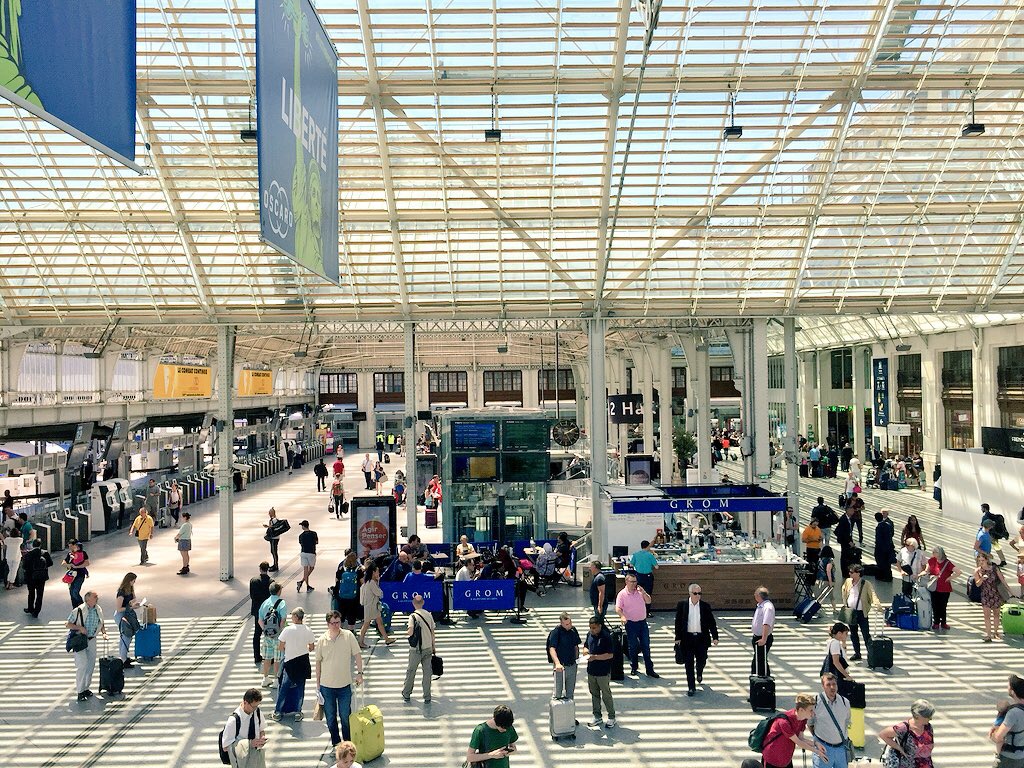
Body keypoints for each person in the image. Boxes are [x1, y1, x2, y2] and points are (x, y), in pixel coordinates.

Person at [316, 609, 365, 747]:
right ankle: (336, 744)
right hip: (326, 686)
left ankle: (347, 744)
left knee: (345, 717)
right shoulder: (321, 640)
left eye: (338, 622)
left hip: (344, 685)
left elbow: (357, 654)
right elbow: (318, 662)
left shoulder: (348, 636)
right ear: (327, 624)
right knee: (330, 718)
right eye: (333, 623)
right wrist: (318, 685)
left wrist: (360, 673)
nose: (336, 625)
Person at [674, 582, 719, 696]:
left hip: (701, 639)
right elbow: (678, 622)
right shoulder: (682, 605)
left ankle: (699, 671)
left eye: (700, 593)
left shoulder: (705, 606)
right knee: (688, 663)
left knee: (702, 660)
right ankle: (691, 687)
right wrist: (677, 637)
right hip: (687, 638)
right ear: (690, 593)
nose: (698, 595)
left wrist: (715, 637)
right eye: (695, 593)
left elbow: (711, 622)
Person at [271, 607, 316, 721]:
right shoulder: (308, 630)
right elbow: (311, 647)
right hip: (303, 662)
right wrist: (302, 649)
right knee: (300, 688)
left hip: (290, 662)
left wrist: (289, 648)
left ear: (296, 617)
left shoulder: (287, 630)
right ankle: (298, 712)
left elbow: (280, 647)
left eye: (292, 615)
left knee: (284, 688)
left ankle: (278, 711)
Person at [761, 693, 828, 768]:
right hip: (772, 759)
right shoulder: (784, 722)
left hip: (786, 759)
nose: (813, 713)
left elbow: (801, 738)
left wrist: (816, 744)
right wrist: (817, 751)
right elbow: (798, 742)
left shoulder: (802, 720)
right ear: (801, 710)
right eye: (811, 710)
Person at [615, 573, 659, 678]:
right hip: (631, 623)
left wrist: (644, 593)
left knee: (646, 646)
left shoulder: (640, 591)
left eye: (635, 581)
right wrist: (622, 616)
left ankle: (650, 669)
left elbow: (648, 601)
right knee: (633, 646)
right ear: (626, 582)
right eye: (632, 582)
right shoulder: (622, 594)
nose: (634, 584)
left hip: (642, 623)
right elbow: (618, 608)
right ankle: (634, 667)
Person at [66, 591, 108, 701]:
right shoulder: (79, 610)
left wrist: (103, 633)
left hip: (92, 639)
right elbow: (68, 624)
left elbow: (101, 622)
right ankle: (80, 691)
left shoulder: (98, 609)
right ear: (88, 599)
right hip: (80, 640)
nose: (97, 598)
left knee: (90, 665)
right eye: (95, 597)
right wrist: (79, 628)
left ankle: (86, 688)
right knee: (82, 665)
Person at [809, 673, 852, 768]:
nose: (832, 687)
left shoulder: (845, 702)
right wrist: (817, 740)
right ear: (823, 686)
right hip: (823, 748)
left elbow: (847, 722)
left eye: (834, 684)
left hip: (841, 749)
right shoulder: (815, 702)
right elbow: (810, 724)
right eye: (828, 685)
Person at [878, 699, 935, 768]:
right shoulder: (903, 728)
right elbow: (883, 734)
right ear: (918, 716)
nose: (930, 718)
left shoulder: (928, 727)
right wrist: (899, 748)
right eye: (928, 716)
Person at [401, 592, 437, 703]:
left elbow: (410, 632)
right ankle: (427, 696)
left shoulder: (412, 616)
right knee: (427, 673)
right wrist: (433, 646)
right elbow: (432, 632)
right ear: (423, 603)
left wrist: (406, 633)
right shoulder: (429, 615)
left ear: (413, 603)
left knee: (411, 671)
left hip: (416, 650)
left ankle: (406, 693)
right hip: (428, 648)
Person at [221, 688, 268, 768]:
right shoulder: (233, 720)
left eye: (257, 706)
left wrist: (262, 737)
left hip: (257, 756)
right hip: (242, 761)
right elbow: (226, 747)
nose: (255, 709)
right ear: (245, 702)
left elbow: (261, 730)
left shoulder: (257, 712)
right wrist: (249, 744)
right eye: (253, 706)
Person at [582, 616, 616, 728]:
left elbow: (610, 654)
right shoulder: (589, 634)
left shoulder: (606, 637)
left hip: (603, 672)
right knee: (594, 694)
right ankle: (597, 716)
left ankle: (611, 717)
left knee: (606, 695)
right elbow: (586, 646)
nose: (592, 630)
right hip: (591, 671)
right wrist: (586, 652)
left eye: (594, 628)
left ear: (599, 626)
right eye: (590, 628)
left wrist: (595, 657)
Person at [358, 562, 395, 648]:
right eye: (377, 572)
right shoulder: (372, 583)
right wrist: (378, 582)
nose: (378, 573)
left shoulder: (368, 582)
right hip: (371, 606)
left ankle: (386, 639)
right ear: (373, 572)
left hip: (372, 606)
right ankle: (360, 641)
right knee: (366, 624)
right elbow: (379, 593)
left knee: (379, 622)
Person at [974, 551, 1009, 642]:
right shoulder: (977, 571)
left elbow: (1002, 580)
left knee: (996, 614)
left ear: (986, 560)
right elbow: (977, 584)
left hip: (996, 593)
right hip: (985, 594)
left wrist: (1010, 591)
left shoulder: (994, 568)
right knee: (987, 616)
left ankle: (996, 632)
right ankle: (988, 635)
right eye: (979, 561)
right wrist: (982, 579)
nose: (981, 562)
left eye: (982, 560)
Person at [991, 674, 1024, 767]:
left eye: (1008, 686)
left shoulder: (1013, 713)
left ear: (1012, 691)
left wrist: (992, 733)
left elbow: (998, 737)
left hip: (1010, 758)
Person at [546, 611, 581, 699]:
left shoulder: (573, 630)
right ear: (561, 623)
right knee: (558, 691)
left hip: (572, 664)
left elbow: (576, 646)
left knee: (570, 692)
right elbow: (552, 649)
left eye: (570, 623)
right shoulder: (556, 632)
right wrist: (557, 663)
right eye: (566, 624)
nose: (569, 625)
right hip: (561, 666)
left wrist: (577, 660)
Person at [258, 582, 286, 688]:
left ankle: (265, 678)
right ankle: (276, 680)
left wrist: (265, 630)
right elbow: (283, 620)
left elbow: (260, 620)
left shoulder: (265, 603)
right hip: (277, 636)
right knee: (277, 658)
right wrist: (279, 631)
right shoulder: (281, 603)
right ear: (279, 591)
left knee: (267, 657)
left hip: (267, 636)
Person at [926, 546, 960, 631]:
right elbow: (927, 571)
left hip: (945, 589)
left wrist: (950, 578)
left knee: (943, 606)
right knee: (935, 605)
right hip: (934, 587)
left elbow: (958, 572)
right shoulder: (932, 560)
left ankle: (943, 622)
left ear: (940, 553)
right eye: (933, 552)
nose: (933, 554)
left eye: (935, 552)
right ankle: (936, 622)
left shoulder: (947, 563)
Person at [114, 572, 140, 668]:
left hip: (127, 614)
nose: (134, 583)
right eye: (133, 581)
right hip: (122, 616)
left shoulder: (130, 589)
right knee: (126, 637)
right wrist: (131, 607)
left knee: (125, 637)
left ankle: (123, 657)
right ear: (129, 581)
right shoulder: (121, 592)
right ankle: (123, 660)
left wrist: (133, 604)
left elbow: (133, 599)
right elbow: (119, 608)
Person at [249, 561, 272, 667]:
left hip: (258, 611)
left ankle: (257, 656)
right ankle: (270, 656)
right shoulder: (271, 582)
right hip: (268, 612)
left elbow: (252, 596)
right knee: (270, 634)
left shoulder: (253, 581)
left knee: (257, 634)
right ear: (267, 569)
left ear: (260, 568)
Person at [333, 551, 363, 630]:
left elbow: (336, 581)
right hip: (354, 597)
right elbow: (362, 583)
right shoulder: (358, 570)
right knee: (352, 614)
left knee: (341, 613)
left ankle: (341, 630)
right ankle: (351, 631)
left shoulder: (341, 569)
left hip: (342, 596)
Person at [22, 539, 52, 618]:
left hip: (30, 577)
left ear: (33, 545)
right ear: (40, 545)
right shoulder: (44, 553)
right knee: (40, 594)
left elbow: (24, 566)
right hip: (41, 576)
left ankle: (30, 608)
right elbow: (50, 563)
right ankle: (36, 611)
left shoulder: (28, 554)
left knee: (31, 592)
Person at [751, 586, 775, 676]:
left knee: (761, 660)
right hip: (757, 636)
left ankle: (763, 677)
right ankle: (756, 676)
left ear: (759, 595)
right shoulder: (760, 606)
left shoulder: (767, 607)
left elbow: (766, 623)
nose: (754, 595)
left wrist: (764, 639)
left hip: (762, 638)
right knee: (757, 659)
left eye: (755, 594)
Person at [63, 538, 89, 608]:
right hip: (71, 575)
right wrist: (68, 565)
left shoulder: (82, 553)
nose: (70, 548)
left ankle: (82, 605)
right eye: (69, 546)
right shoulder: (70, 554)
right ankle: (75, 608)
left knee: (75, 591)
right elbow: (64, 562)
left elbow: (87, 563)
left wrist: (77, 566)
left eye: (71, 546)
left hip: (80, 575)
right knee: (71, 592)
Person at [873, 510, 896, 582]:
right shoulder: (888, 525)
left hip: (881, 548)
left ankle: (883, 576)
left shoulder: (879, 527)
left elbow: (879, 539)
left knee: (881, 562)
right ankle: (888, 576)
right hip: (888, 547)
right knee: (887, 563)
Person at [835, 505, 857, 579]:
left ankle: (847, 570)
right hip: (844, 541)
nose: (853, 512)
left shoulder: (850, 519)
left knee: (847, 555)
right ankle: (844, 572)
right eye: (852, 510)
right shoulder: (843, 519)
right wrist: (849, 542)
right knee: (844, 556)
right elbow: (843, 532)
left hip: (848, 539)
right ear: (847, 510)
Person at [263, 508, 288, 572]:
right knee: (273, 551)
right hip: (273, 538)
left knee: (274, 552)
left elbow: (276, 527)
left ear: (272, 513)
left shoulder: (274, 520)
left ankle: (276, 566)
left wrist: (268, 526)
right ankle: (275, 564)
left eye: (269, 512)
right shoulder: (273, 519)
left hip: (274, 538)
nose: (268, 514)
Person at [296, 520, 318, 593]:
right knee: (311, 568)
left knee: (305, 569)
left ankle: (304, 583)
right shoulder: (314, 533)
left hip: (303, 553)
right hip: (311, 553)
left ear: (303, 526)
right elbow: (316, 542)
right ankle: (305, 584)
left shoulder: (301, 536)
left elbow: (300, 543)